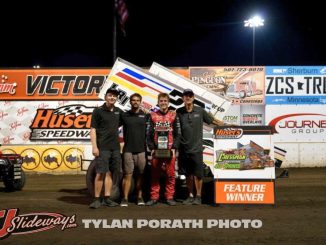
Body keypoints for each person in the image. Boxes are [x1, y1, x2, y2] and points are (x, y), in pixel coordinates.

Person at [177, 89, 224, 205]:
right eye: (185, 96)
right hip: (183, 149)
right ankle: (190, 195)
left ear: (193, 98)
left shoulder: (200, 111)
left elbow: (213, 121)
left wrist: (228, 125)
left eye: (190, 96)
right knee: (188, 174)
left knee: (198, 174)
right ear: (183, 98)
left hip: (197, 148)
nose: (188, 98)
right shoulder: (179, 111)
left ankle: (198, 196)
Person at [89, 88, 123, 209]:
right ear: (105, 97)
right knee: (100, 172)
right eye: (110, 95)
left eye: (114, 96)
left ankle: (107, 198)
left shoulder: (119, 111)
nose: (112, 97)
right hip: (102, 148)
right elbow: (93, 130)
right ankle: (97, 199)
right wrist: (94, 147)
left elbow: (130, 119)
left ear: (116, 98)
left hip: (115, 148)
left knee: (110, 173)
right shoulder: (98, 111)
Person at [146, 93, 181, 206]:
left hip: (170, 150)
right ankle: (154, 197)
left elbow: (178, 133)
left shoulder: (173, 115)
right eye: (161, 101)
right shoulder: (152, 115)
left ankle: (169, 197)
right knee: (155, 174)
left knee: (170, 174)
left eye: (165, 101)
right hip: (157, 150)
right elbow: (148, 134)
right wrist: (151, 148)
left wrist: (174, 148)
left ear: (168, 102)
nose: (163, 103)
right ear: (158, 102)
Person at [120, 93, 147, 207]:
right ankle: (125, 198)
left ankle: (139, 197)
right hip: (128, 150)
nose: (135, 102)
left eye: (137, 100)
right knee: (128, 175)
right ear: (130, 102)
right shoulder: (124, 115)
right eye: (133, 100)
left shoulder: (145, 116)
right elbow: (112, 127)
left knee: (140, 175)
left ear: (140, 102)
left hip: (141, 150)